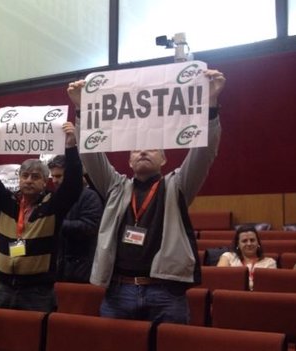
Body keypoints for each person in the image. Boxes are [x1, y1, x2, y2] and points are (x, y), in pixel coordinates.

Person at [67, 69, 226, 324]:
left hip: (164, 291)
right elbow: (90, 153)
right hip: (118, 290)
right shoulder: (116, 186)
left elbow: (203, 153)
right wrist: (81, 110)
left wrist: (210, 105)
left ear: (164, 159)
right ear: (129, 160)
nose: (143, 152)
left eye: (152, 148)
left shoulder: (177, 186)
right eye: (136, 149)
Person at [0, 123, 82, 312]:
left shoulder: (53, 206)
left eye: (35, 177)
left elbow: (73, 185)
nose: (29, 180)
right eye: (25, 175)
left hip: (37, 292)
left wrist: (71, 147)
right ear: (19, 178)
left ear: (45, 182)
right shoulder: (7, 203)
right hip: (3, 287)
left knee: (36, 340)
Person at [48, 155, 103, 283]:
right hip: (57, 267)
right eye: (53, 176)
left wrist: (54, 224)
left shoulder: (90, 196)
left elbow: (90, 226)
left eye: (59, 176)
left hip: (81, 268)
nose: (54, 181)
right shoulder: (53, 196)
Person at [217, 224, 276, 290]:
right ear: (238, 244)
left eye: (252, 240)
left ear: (258, 243)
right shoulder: (228, 257)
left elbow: (267, 287)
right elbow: (221, 280)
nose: (249, 244)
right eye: (244, 241)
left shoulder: (270, 262)